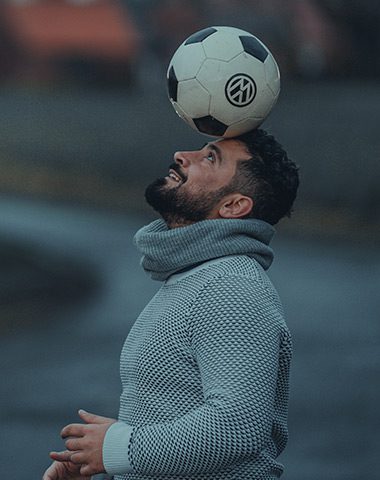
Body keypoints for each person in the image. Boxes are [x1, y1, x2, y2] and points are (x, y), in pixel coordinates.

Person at [43, 128, 299, 480]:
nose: (182, 155)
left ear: (234, 206)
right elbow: (182, 413)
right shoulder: (196, 277)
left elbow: (237, 426)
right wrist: (106, 454)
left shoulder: (232, 286)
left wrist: (119, 447)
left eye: (210, 157)